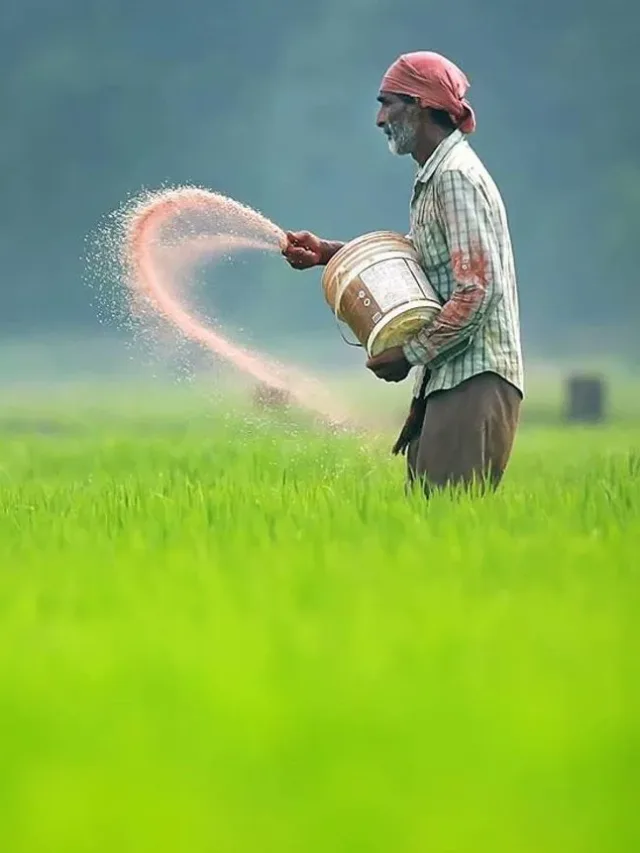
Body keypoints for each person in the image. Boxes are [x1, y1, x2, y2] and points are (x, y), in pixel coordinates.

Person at [282, 51, 524, 496]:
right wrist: (328, 255)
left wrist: (410, 353)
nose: (379, 119)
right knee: (430, 526)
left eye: (387, 103)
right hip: (450, 377)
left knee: (448, 528)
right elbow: (419, 263)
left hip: (473, 379)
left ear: (421, 104)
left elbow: (476, 290)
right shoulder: (435, 177)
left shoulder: (455, 177)